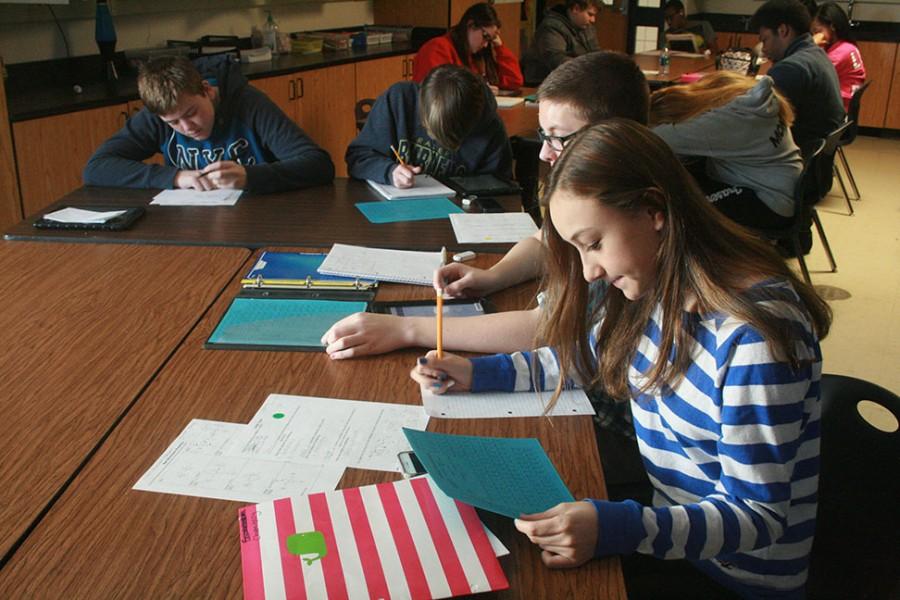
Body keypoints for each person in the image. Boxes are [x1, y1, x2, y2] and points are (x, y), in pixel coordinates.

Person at [411, 119, 831, 600]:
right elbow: (584, 359)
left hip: (732, 575)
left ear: (653, 210)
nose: (589, 270)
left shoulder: (753, 337)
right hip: (670, 530)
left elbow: (757, 518)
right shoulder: (655, 285)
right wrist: (476, 373)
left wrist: (618, 528)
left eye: (593, 244)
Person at [324, 52, 650, 359]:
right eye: (543, 136)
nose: (543, 154)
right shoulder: (592, 195)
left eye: (557, 138)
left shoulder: (622, 214)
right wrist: (492, 277)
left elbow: (544, 326)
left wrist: (409, 329)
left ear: (610, 136)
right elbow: (545, 242)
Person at [83, 55, 334, 193]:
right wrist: (175, 177)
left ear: (207, 90)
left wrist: (250, 176)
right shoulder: (158, 113)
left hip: (260, 218)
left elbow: (318, 165)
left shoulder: (248, 103)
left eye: (191, 112)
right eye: (173, 123)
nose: (187, 127)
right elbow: (97, 167)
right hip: (193, 223)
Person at [650, 71, 802, 229]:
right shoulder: (752, 100)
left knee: (682, 205)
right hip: (779, 187)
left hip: (769, 204)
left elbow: (657, 138)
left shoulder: (731, 121)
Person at [345, 65, 512, 188]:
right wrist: (389, 171)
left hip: (458, 219)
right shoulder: (399, 101)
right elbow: (357, 157)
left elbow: (500, 188)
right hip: (396, 213)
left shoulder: (491, 129)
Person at [751, 0, 844, 148]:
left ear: (783, 30)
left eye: (765, 39)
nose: (763, 49)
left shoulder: (791, 68)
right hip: (819, 150)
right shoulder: (815, 52)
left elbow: (757, 120)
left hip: (801, 150)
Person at [412, 2, 524, 92]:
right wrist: (479, 91)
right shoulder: (437, 48)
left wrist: (499, 47)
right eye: (485, 36)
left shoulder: (473, 55)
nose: (485, 45)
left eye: (489, 40)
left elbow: (514, 81)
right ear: (470, 25)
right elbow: (440, 92)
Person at [520, 0, 601, 85]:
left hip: (570, 79)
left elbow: (595, 52)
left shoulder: (587, 28)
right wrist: (589, 67)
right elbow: (556, 59)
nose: (593, 20)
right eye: (590, 14)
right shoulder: (551, 27)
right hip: (542, 82)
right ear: (576, 9)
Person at [812, 2, 866, 111]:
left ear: (832, 26)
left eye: (817, 31)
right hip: (844, 110)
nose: (815, 36)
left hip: (835, 113)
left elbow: (811, 76)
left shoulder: (842, 52)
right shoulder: (848, 47)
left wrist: (811, 44)